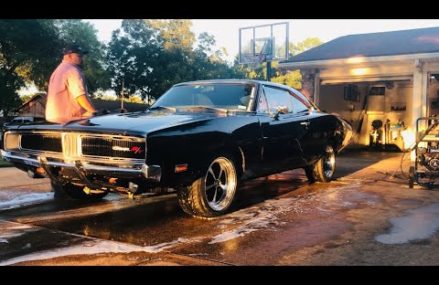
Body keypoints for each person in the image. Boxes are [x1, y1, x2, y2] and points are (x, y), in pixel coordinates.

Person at [45, 44, 96, 124]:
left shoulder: (58, 70)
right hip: (70, 122)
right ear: (69, 56)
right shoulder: (72, 70)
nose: (82, 59)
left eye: (83, 56)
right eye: (79, 56)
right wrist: (94, 112)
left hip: (54, 120)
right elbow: (80, 96)